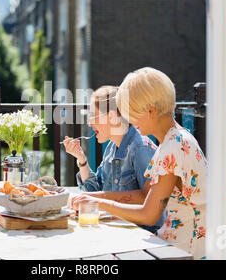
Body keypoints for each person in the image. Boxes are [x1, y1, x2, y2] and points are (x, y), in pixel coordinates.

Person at [72, 68, 208, 259]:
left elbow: (149, 214)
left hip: (182, 250)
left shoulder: (172, 147)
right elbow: (146, 195)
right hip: (182, 244)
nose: (130, 122)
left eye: (132, 114)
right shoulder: (176, 139)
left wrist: (99, 203)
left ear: (151, 111)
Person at [63, 85, 166, 233]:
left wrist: (95, 199)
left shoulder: (141, 149)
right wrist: (82, 160)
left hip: (141, 236)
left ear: (111, 116)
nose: (89, 123)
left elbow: (150, 202)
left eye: (93, 116)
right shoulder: (112, 147)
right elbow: (96, 191)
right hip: (116, 230)